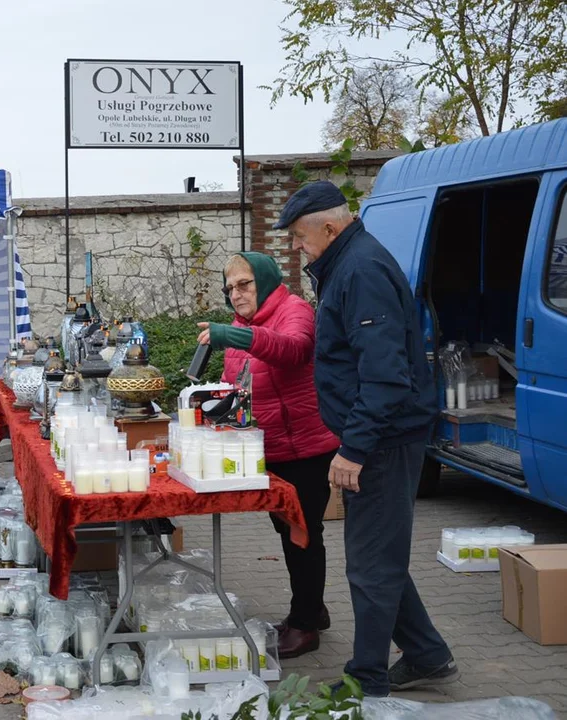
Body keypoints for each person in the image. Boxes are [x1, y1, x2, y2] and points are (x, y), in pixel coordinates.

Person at [278, 181, 457, 696]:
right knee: (379, 556)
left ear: (329, 228)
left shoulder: (360, 270)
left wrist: (354, 448)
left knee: (371, 566)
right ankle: (426, 654)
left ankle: (367, 682)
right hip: (380, 434)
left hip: (382, 441)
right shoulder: (348, 265)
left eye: (298, 236)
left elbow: (384, 372)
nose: (296, 247)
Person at [195, 252, 340, 659]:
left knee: (303, 534)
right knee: (288, 532)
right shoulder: (239, 327)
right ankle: (312, 608)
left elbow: (293, 350)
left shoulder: (294, 310)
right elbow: (233, 389)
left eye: (244, 284)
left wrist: (235, 335)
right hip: (270, 448)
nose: (236, 294)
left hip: (306, 446)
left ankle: (306, 624)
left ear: (265, 279)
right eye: (230, 288)